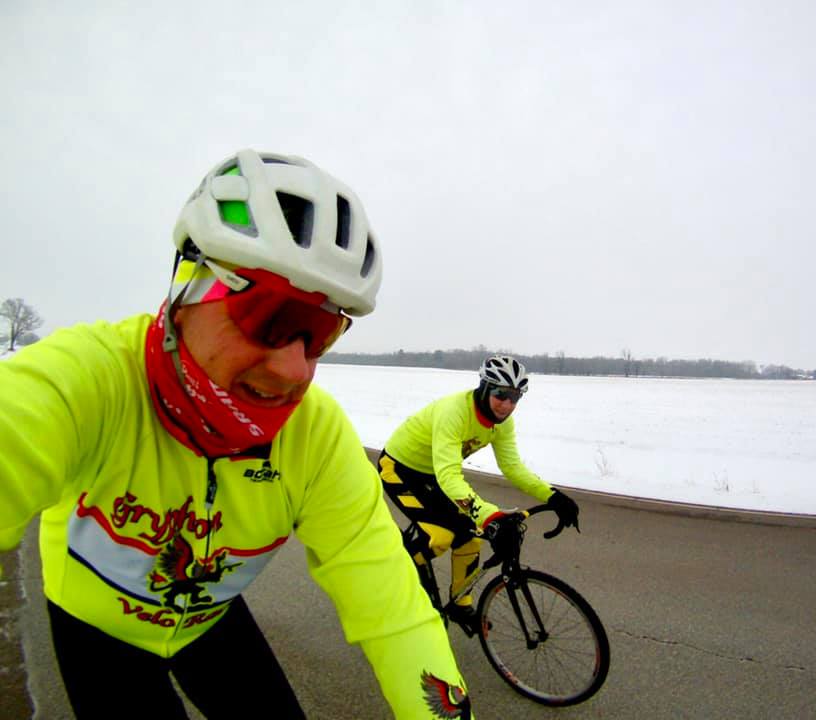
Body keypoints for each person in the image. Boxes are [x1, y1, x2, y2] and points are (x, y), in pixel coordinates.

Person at [0, 149, 474, 719]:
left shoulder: (314, 436)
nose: (294, 369)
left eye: (320, 333)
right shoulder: (87, 382)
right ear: (188, 287)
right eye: (269, 317)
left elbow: (395, 613)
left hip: (209, 619)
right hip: (96, 630)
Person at [378, 355, 580, 625]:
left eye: (515, 397)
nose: (507, 405)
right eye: (501, 394)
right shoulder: (454, 413)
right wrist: (488, 516)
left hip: (434, 473)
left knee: (470, 539)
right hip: (400, 469)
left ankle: (460, 606)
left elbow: (512, 467)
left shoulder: (502, 422)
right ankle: (394, 578)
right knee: (439, 537)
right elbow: (449, 475)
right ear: (484, 387)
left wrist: (552, 495)